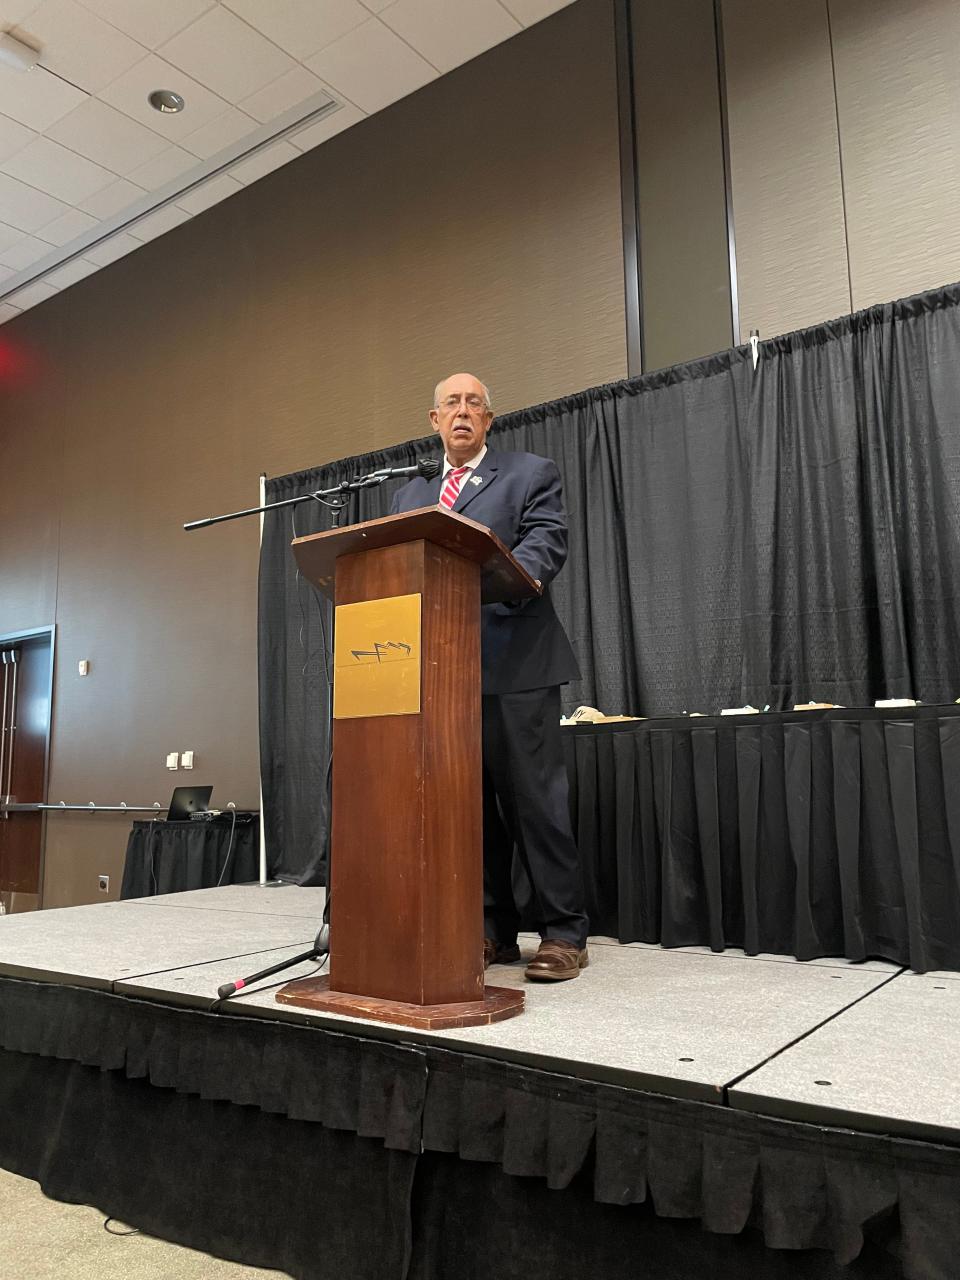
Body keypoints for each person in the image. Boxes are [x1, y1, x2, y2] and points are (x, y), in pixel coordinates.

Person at [390, 373, 589, 981]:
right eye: (451, 402)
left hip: (517, 666)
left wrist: (481, 583)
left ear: (489, 420)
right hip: (440, 676)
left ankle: (562, 934)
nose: (462, 411)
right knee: (466, 807)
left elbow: (544, 546)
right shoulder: (409, 497)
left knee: (534, 802)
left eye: (474, 403)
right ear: (433, 419)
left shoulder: (529, 473)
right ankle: (491, 931)